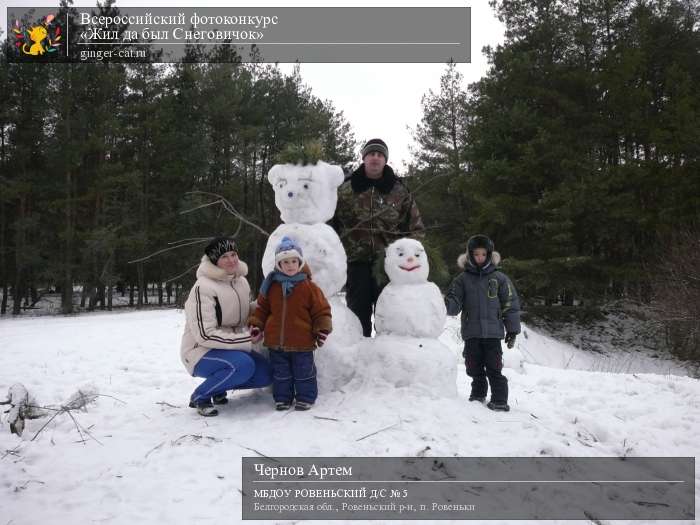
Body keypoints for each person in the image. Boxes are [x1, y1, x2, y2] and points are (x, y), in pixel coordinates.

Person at [333, 138, 425, 336]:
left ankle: (386, 360)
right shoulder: (345, 190)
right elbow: (331, 226)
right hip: (355, 264)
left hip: (389, 267)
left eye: (380, 155)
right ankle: (359, 360)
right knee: (357, 319)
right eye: (371, 154)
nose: (375, 158)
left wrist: (410, 261)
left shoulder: (399, 191)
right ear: (364, 158)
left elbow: (415, 228)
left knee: (389, 317)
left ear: (385, 160)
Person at [180, 237, 272, 417]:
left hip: (232, 348)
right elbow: (205, 335)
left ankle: (218, 388)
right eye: (224, 257)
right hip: (201, 351)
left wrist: (269, 305)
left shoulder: (241, 281)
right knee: (244, 366)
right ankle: (201, 396)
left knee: (266, 374)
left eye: (233, 254)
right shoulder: (203, 287)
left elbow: (245, 312)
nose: (231, 260)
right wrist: (246, 339)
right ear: (215, 260)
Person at [248, 237, 332, 411]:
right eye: (285, 262)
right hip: (276, 342)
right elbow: (262, 308)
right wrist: (256, 325)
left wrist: (322, 329)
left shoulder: (309, 287)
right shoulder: (271, 286)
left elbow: (321, 310)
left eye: (294, 261)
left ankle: (305, 397)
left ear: (300, 262)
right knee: (281, 373)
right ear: (279, 264)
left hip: (302, 341)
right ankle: (282, 398)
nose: (290, 265)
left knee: (304, 372)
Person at [444, 234, 521, 412]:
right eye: (476, 254)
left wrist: (512, 330)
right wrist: (442, 302)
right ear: (470, 255)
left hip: (493, 333)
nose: (480, 258)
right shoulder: (462, 280)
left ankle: (500, 400)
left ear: (489, 255)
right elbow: (454, 305)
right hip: (472, 332)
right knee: (473, 367)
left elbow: (510, 304)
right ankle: (478, 395)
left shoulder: (499, 278)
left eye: (483, 254)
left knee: (494, 367)